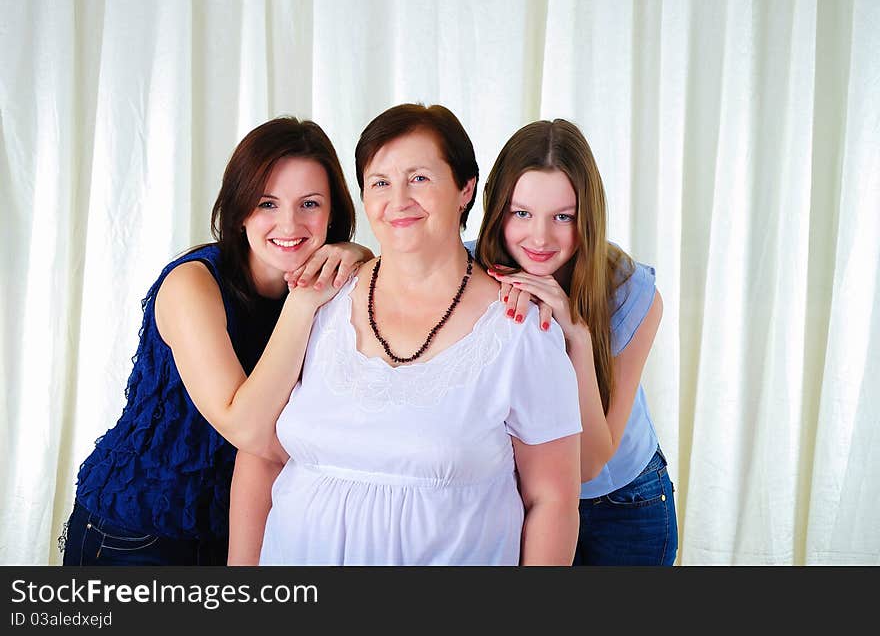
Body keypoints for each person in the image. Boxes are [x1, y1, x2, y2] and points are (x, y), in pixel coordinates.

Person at [229, 104, 582, 566]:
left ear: (465, 189)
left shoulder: (520, 327)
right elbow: (262, 458)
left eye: (418, 178)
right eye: (380, 183)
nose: (398, 201)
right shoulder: (318, 300)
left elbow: (553, 500)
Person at [61, 116, 370, 565]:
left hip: (239, 526)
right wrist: (303, 304)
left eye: (310, 204)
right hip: (137, 531)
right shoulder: (193, 285)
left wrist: (358, 254)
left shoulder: (331, 283)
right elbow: (245, 426)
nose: (289, 223)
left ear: (333, 214)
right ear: (240, 207)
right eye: (267, 203)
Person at [475, 118, 678, 566]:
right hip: (523, 498)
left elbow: (588, 464)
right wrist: (351, 254)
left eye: (562, 217)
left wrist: (578, 337)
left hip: (620, 504)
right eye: (521, 213)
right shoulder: (469, 269)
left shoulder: (631, 292)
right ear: (496, 209)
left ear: (587, 216)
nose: (540, 238)